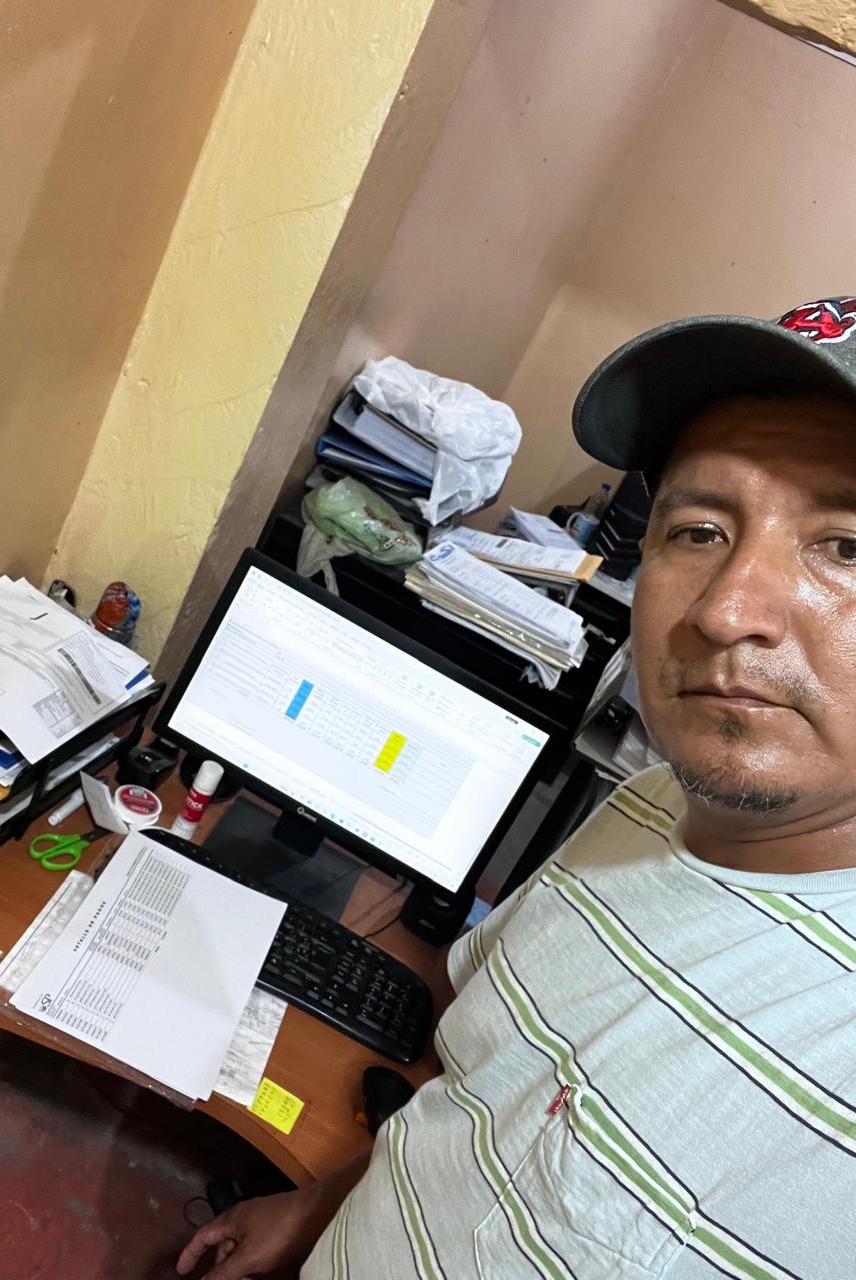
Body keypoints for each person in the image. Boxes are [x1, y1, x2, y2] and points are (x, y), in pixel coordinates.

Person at [178, 296, 856, 1280]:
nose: (723, 610)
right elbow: (479, 1100)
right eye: (698, 529)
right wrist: (319, 1208)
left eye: (845, 545)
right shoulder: (638, 811)